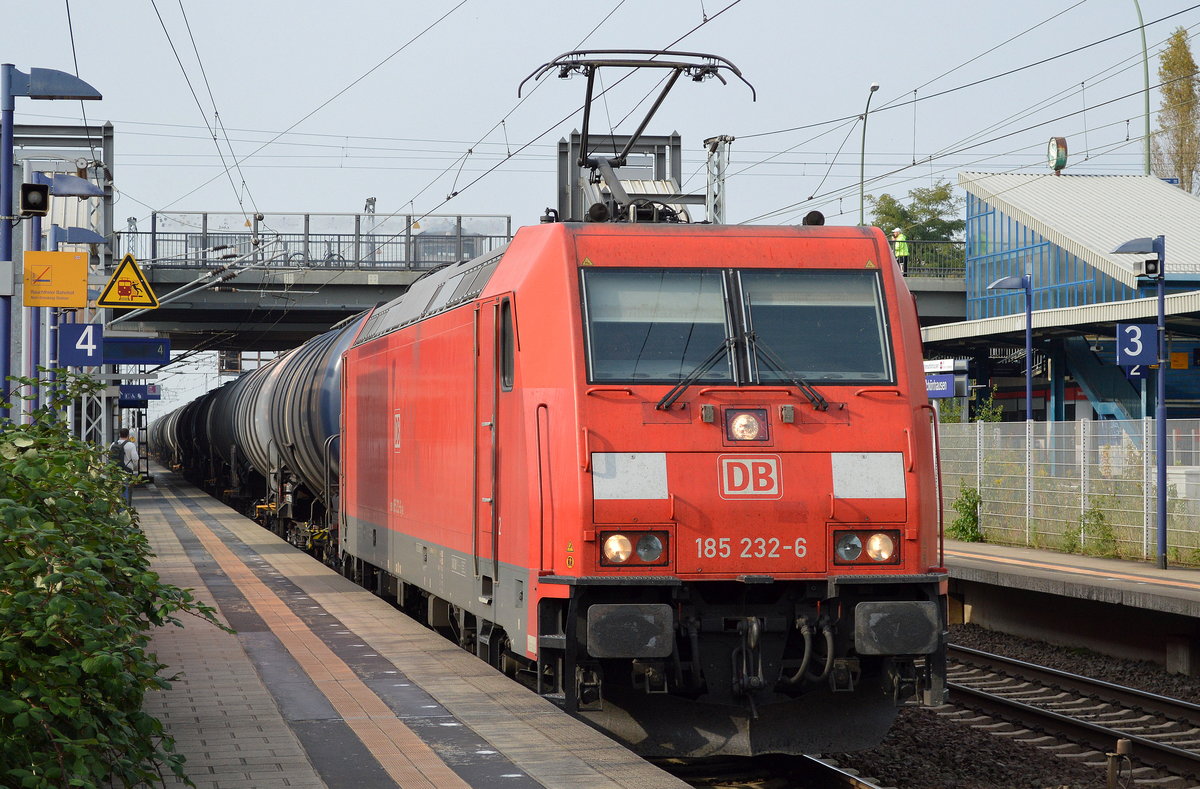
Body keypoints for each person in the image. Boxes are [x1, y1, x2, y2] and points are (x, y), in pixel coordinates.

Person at [111, 428, 139, 505]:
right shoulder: (131, 445)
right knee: (126, 492)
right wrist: (134, 466)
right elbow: (135, 458)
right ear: (128, 435)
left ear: (119, 435)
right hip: (127, 471)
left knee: (116, 492)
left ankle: (116, 510)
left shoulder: (113, 444)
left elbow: (108, 456)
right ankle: (124, 511)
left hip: (115, 472)